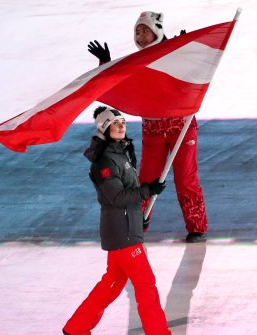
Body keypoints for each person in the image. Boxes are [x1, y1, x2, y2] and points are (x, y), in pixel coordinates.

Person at [87, 11, 208, 243]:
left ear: (157, 30)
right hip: (152, 129)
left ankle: (197, 227)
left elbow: (195, 73)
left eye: (145, 30)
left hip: (181, 126)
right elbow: (119, 83)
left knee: (186, 179)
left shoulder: (174, 52)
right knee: (145, 180)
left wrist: (187, 53)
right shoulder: (139, 62)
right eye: (138, 32)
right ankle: (137, 225)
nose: (141, 36)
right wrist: (106, 62)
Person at [62, 106, 171, 335]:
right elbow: (117, 197)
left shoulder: (122, 154)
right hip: (123, 233)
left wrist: (142, 208)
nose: (122, 126)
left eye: (122, 121)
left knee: (111, 284)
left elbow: (127, 193)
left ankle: (76, 328)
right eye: (115, 123)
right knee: (145, 285)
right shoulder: (104, 162)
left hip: (125, 229)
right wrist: (147, 190)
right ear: (105, 127)